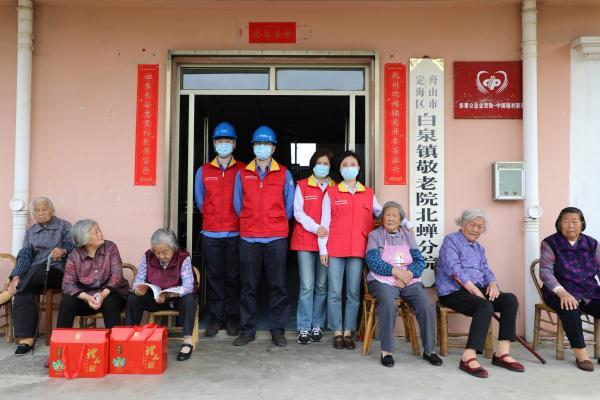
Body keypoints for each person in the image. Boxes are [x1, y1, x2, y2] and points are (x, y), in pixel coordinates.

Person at [436, 209, 524, 378]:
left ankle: (502, 354)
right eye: (473, 225)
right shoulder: (451, 241)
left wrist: (493, 283)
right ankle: (468, 357)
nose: (476, 229)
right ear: (462, 224)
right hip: (453, 291)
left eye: (480, 227)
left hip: (478, 289)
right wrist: (476, 291)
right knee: (484, 305)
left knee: (509, 300)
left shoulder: (479, 248)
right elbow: (454, 269)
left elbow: (485, 269)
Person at [232, 125, 295, 347]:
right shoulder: (243, 173)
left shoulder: (284, 173)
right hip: (249, 238)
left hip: (276, 237)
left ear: (274, 147)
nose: (262, 148)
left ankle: (277, 329)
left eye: (266, 144)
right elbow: (238, 204)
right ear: (253, 147)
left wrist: (274, 223)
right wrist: (251, 221)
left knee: (278, 285)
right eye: (258, 144)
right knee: (248, 286)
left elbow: (289, 207)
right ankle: (247, 330)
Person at [365, 201, 442, 367]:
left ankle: (429, 350)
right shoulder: (374, 235)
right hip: (382, 280)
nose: (390, 218)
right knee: (387, 304)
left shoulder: (408, 235)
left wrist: (407, 275)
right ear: (382, 218)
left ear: (401, 220)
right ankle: (386, 351)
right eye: (387, 215)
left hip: (408, 279)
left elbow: (419, 261)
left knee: (426, 305)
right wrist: (396, 273)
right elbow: (373, 261)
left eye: (394, 215)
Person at [319, 150, 380, 350]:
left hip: (358, 248)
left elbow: (384, 212)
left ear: (359, 168)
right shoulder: (332, 192)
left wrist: (406, 222)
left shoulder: (368, 193)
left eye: (353, 164)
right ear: (339, 169)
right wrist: (322, 249)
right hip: (335, 247)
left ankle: (348, 332)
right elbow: (324, 222)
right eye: (345, 165)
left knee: (353, 292)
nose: (349, 168)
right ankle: (337, 331)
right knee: (335, 291)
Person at [0, 197, 73, 355]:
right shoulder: (31, 231)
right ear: (33, 214)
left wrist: (63, 250)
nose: (41, 213)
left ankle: (9, 292)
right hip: (34, 275)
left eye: (44, 209)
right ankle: (26, 340)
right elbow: (25, 255)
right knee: (23, 291)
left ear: (51, 210)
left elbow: (74, 246)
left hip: (57, 271)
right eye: (37, 211)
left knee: (38, 270)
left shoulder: (64, 226)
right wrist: (17, 275)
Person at [194, 122, 246, 337]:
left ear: (234, 144)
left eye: (227, 141)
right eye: (220, 141)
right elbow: (200, 200)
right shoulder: (204, 171)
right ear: (214, 144)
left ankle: (233, 317)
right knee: (214, 277)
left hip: (235, 233)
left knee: (234, 277)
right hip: (211, 233)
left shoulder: (243, 170)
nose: (223, 144)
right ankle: (217, 318)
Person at [539, 207, 600, 372]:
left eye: (575, 221)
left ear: (582, 224)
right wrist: (562, 292)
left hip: (589, 292)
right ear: (559, 224)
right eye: (566, 221)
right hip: (559, 292)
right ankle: (582, 355)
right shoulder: (550, 243)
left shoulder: (592, 243)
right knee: (570, 307)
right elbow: (545, 272)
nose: (571, 225)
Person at [126, 228, 197, 361]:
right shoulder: (148, 256)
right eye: (157, 252)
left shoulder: (183, 258)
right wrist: (138, 289)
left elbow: (188, 286)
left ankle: (187, 341)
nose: (161, 256)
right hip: (155, 299)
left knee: (189, 299)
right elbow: (139, 279)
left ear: (174, 248)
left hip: (175, 301)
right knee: (133, 297)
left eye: (165, 252)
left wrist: (169, 294)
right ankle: (131, 335)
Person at [290, 148, 335, 345]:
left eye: (326, 164)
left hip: (327, 242)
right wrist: (316, 228)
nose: (322, 167)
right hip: (305, 241)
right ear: (313, 165)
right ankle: (303, 327)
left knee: (322, 286)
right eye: (319, 163)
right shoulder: (302, 185)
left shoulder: (336, 188)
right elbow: (298, 213)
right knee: (307, 285)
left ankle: (317, 324)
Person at [57, 219, 130, 330]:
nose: (101, 234)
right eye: (96, 232)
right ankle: (61, 343)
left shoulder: (110, 247)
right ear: (84, 238)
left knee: (110, 301)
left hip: (109, 295)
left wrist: (102, 295)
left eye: (99, 230)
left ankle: (114, 343)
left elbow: (117, 275)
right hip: (87, 298)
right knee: (67, 302)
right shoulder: (74, 256)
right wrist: (87, 298)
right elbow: (67, 284)